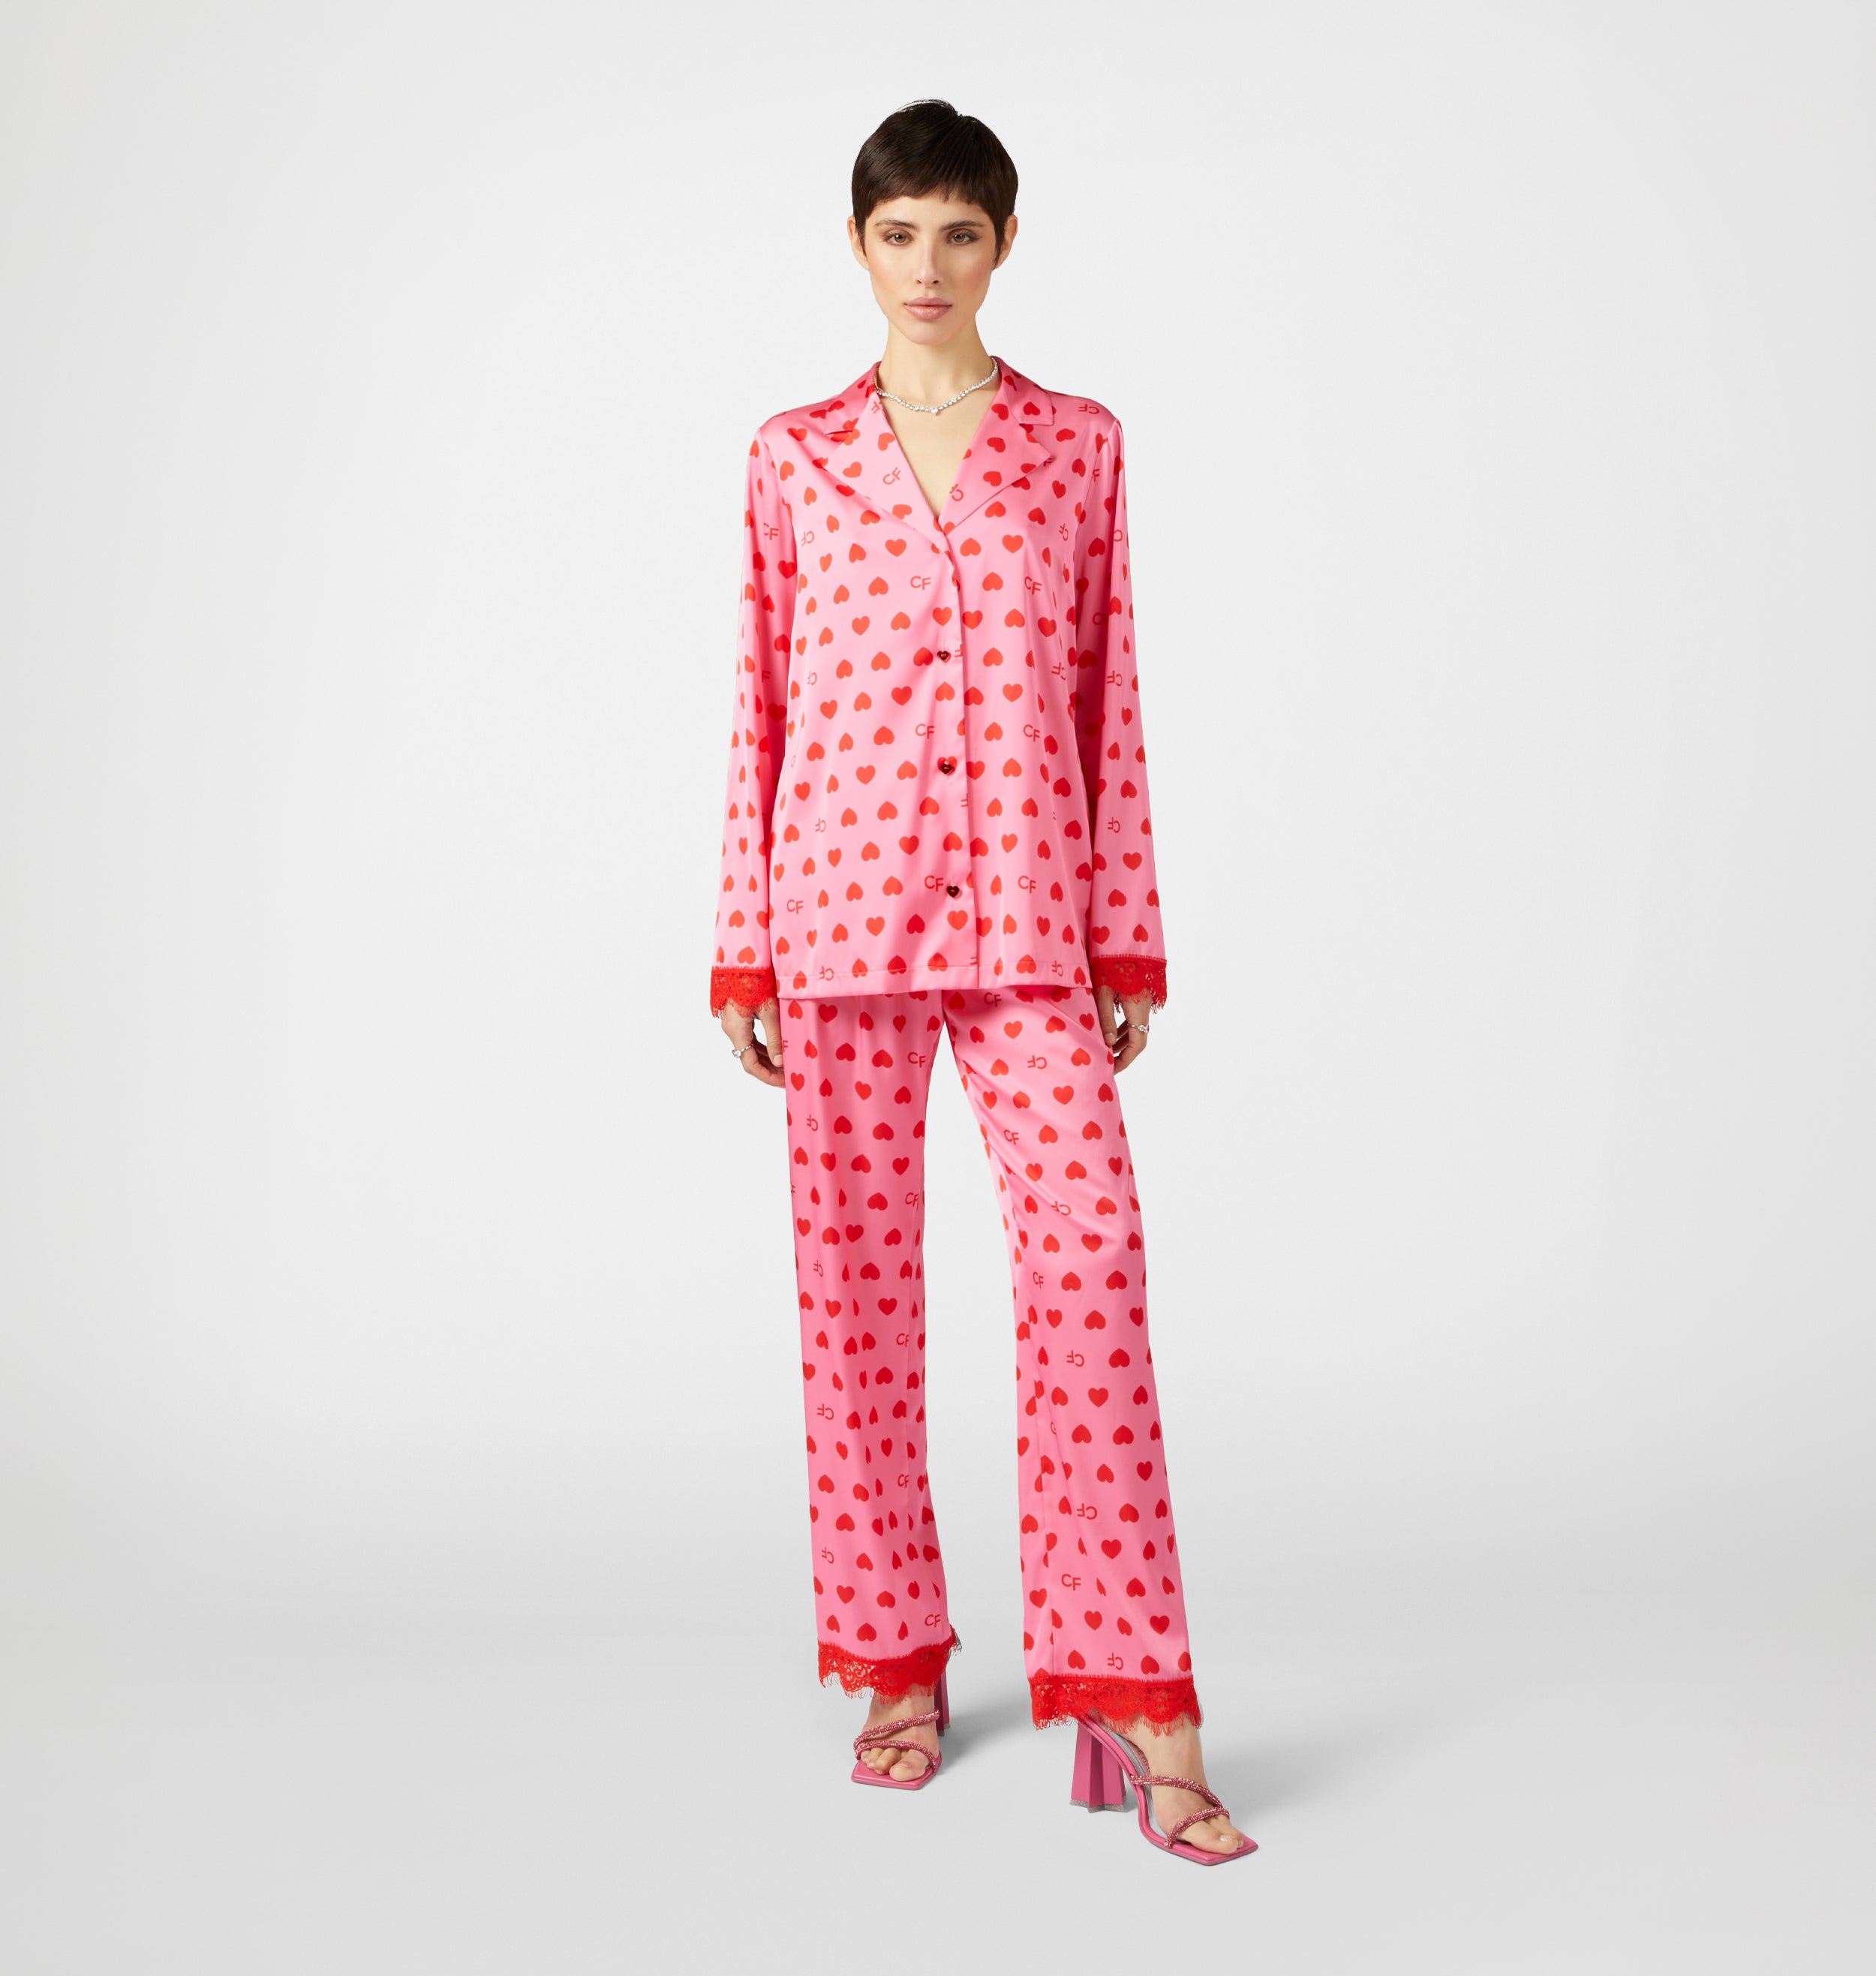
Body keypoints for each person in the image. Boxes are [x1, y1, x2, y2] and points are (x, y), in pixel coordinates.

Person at [708, 99, 1253, 1865]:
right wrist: (739, 938)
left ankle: (1136, 1696)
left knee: (1087, 1259)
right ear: (856, 246)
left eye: (958, 233)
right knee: (854, 1308)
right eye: (897, 234)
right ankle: (892, 1662)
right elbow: (757, 704)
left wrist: (1124, 930)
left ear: (1003, 243)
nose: (927, 265)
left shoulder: (1074, 447)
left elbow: (1109, 696)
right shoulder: (793, 457)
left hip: (1028, 918)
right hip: (837, 923)